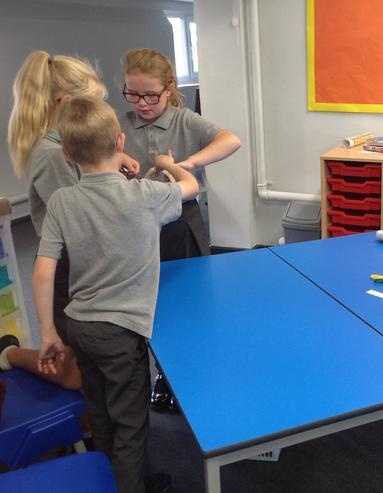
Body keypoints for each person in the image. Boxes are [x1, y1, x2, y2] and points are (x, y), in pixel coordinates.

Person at [33, 95, 198, 493]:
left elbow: (42, 272)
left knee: (102, 413)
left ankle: (114, 480)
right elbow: (191, 185)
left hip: (79, 326)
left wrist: (49, 334)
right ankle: (129, 484)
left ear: (68, 154)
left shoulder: (62, 201)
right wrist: (165, 164)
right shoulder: (145, 194)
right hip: (120, 333)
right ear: (120, 142)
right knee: (131, 426)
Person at [118, 47, 241, 409]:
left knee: (186, 301)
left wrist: (185, 165)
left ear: (169, 88)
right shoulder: (120, 123)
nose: (142, 104)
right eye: (132, 94)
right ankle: (154, 373)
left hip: (179, 221)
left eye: (150, 95)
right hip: (135, 224)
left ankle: (181, 376)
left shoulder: (185, 120)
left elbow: (230, 140)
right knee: (144, 301)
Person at [5, 51, 121, 387]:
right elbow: (81, 217)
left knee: (87, 363)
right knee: (72, 370)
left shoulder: (64, 146)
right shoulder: (53, 154)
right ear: (67, 103)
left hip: (77, 260)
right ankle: (10, 354)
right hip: (67, 266)